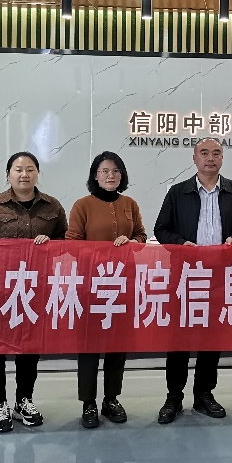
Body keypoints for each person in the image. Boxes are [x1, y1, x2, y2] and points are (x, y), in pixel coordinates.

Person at [153, 137, 232, 424]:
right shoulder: (178, 192)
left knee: (212, 338)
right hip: (186, 276)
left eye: (216, 153)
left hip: (221, 276)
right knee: (180, 338)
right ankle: (174, 396)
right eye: (204, 153)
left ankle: (203, 394)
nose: (210, 158)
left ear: (222, 158)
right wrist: (181, 243)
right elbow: (161, 229)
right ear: (194, 158)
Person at [0, 151, 67, 433]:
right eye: (18, 169)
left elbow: (66, 242)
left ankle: (24, 400)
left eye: (30, 169)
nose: (24, 174)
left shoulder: (53, 206)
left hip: (35, 289)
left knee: (29, 347)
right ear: (8, 174)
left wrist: (51, 244)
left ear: (37, 173)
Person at [66, 151, 146, 429]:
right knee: (89, 346)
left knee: (117, 345)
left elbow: (141, 235)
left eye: (115, 171)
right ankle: (88, 402)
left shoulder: (129, 204)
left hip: (122, 284)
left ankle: (111, 398)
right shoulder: (82, 205)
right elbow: (72, 243)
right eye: (104, 171)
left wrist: (133, 241)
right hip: (91, 285)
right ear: (95, 176)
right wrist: (100, 254)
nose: (110, 175)